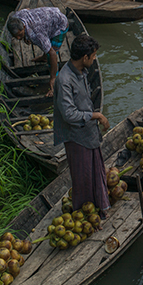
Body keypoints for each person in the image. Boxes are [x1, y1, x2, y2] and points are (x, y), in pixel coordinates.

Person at [53, 34, 110, 216]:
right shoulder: (64, 80)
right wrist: (96, 115)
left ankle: (100, 208)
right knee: (83, 178)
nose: (94, 60)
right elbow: (69, 114)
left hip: (88, 133)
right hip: (76, 137)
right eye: (93, 56)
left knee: (95, 173)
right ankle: (85, 216)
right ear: (84, 57)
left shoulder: (81, 72)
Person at [7, 7, 69, 96]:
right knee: (46, 46)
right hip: (48, 17)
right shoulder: (17, 17)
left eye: (20, 35)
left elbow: (53, 54)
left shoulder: (37, 34)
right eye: (15, 36)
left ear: (24, 27)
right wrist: (24, 37)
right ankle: (44, 57)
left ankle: (56, 81)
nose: (18, 38)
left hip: (60, 24)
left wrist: (53, 78)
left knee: (51, 53)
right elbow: (27, 9)